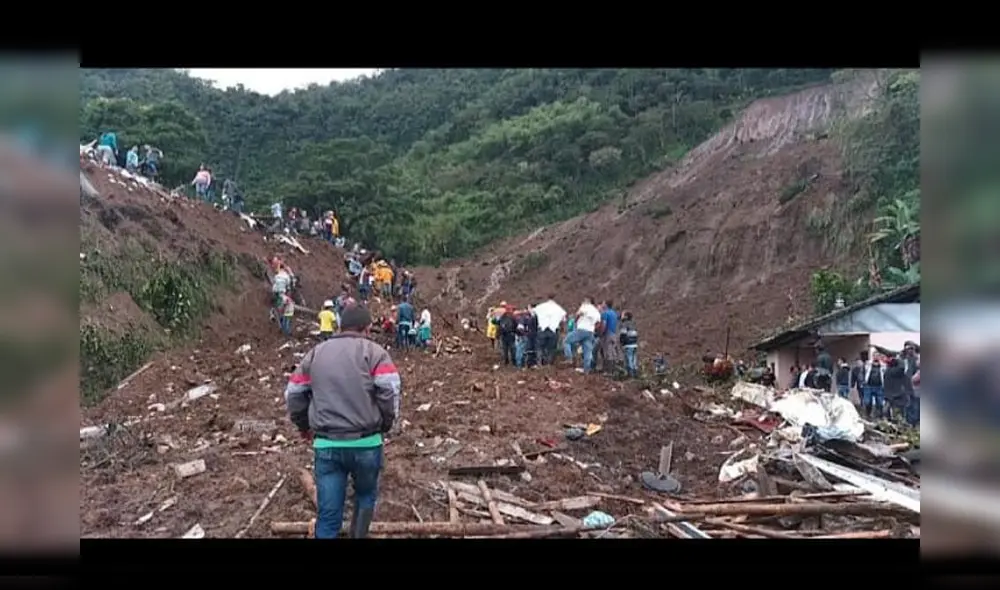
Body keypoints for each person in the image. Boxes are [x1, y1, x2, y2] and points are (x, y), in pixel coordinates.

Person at [284, 305, 401, 539]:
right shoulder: (376, 353)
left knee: (328, 516)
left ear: (339, 326)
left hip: (327, 445)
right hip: (367, 443)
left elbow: (294, 394)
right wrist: (386, 424)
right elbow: (389, 392)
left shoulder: (315, 354)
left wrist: (304, 426)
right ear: (367, 328)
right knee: (365, 497)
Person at [564, 298, 601, 373]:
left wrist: (575, 321)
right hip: (590, 332)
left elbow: (578, 314)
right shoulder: (596, 311)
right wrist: (593, 328)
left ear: (588, 301)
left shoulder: (585, 306)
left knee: (566, 341)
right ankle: (586, 370)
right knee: (587, 351)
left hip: (581, 329)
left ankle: (569, 358)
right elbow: (598, 323)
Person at [533, 296, 566, 366]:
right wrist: (562, 330)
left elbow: (533, 313)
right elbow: (563, 320)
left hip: (542, 328)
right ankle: (548, 364)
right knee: (551, 348)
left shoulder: (540, 306)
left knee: (539, 347)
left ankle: (539, 363)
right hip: (553, 330)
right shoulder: (559, 308)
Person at [597, 300, 621, 373]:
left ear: (606, 305)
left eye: (603, 303)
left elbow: (604, 324)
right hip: (614, 334)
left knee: (607, 352)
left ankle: (608, 371)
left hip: (607, 334)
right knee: (612, 351)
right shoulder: (614, 313)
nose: (602, 304)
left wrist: (600, 333)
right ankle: (613, 370)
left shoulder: (605, 313)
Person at [619, 311, 639, 378]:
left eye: (622, 315)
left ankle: (631, 374)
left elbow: (623, 334)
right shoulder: (634, 324)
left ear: (626, 317)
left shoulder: (624, 324)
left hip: (628, 344)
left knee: (629, 359)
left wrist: (622, 343)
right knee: (634, 359)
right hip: (635, 344)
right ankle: (636, 372)